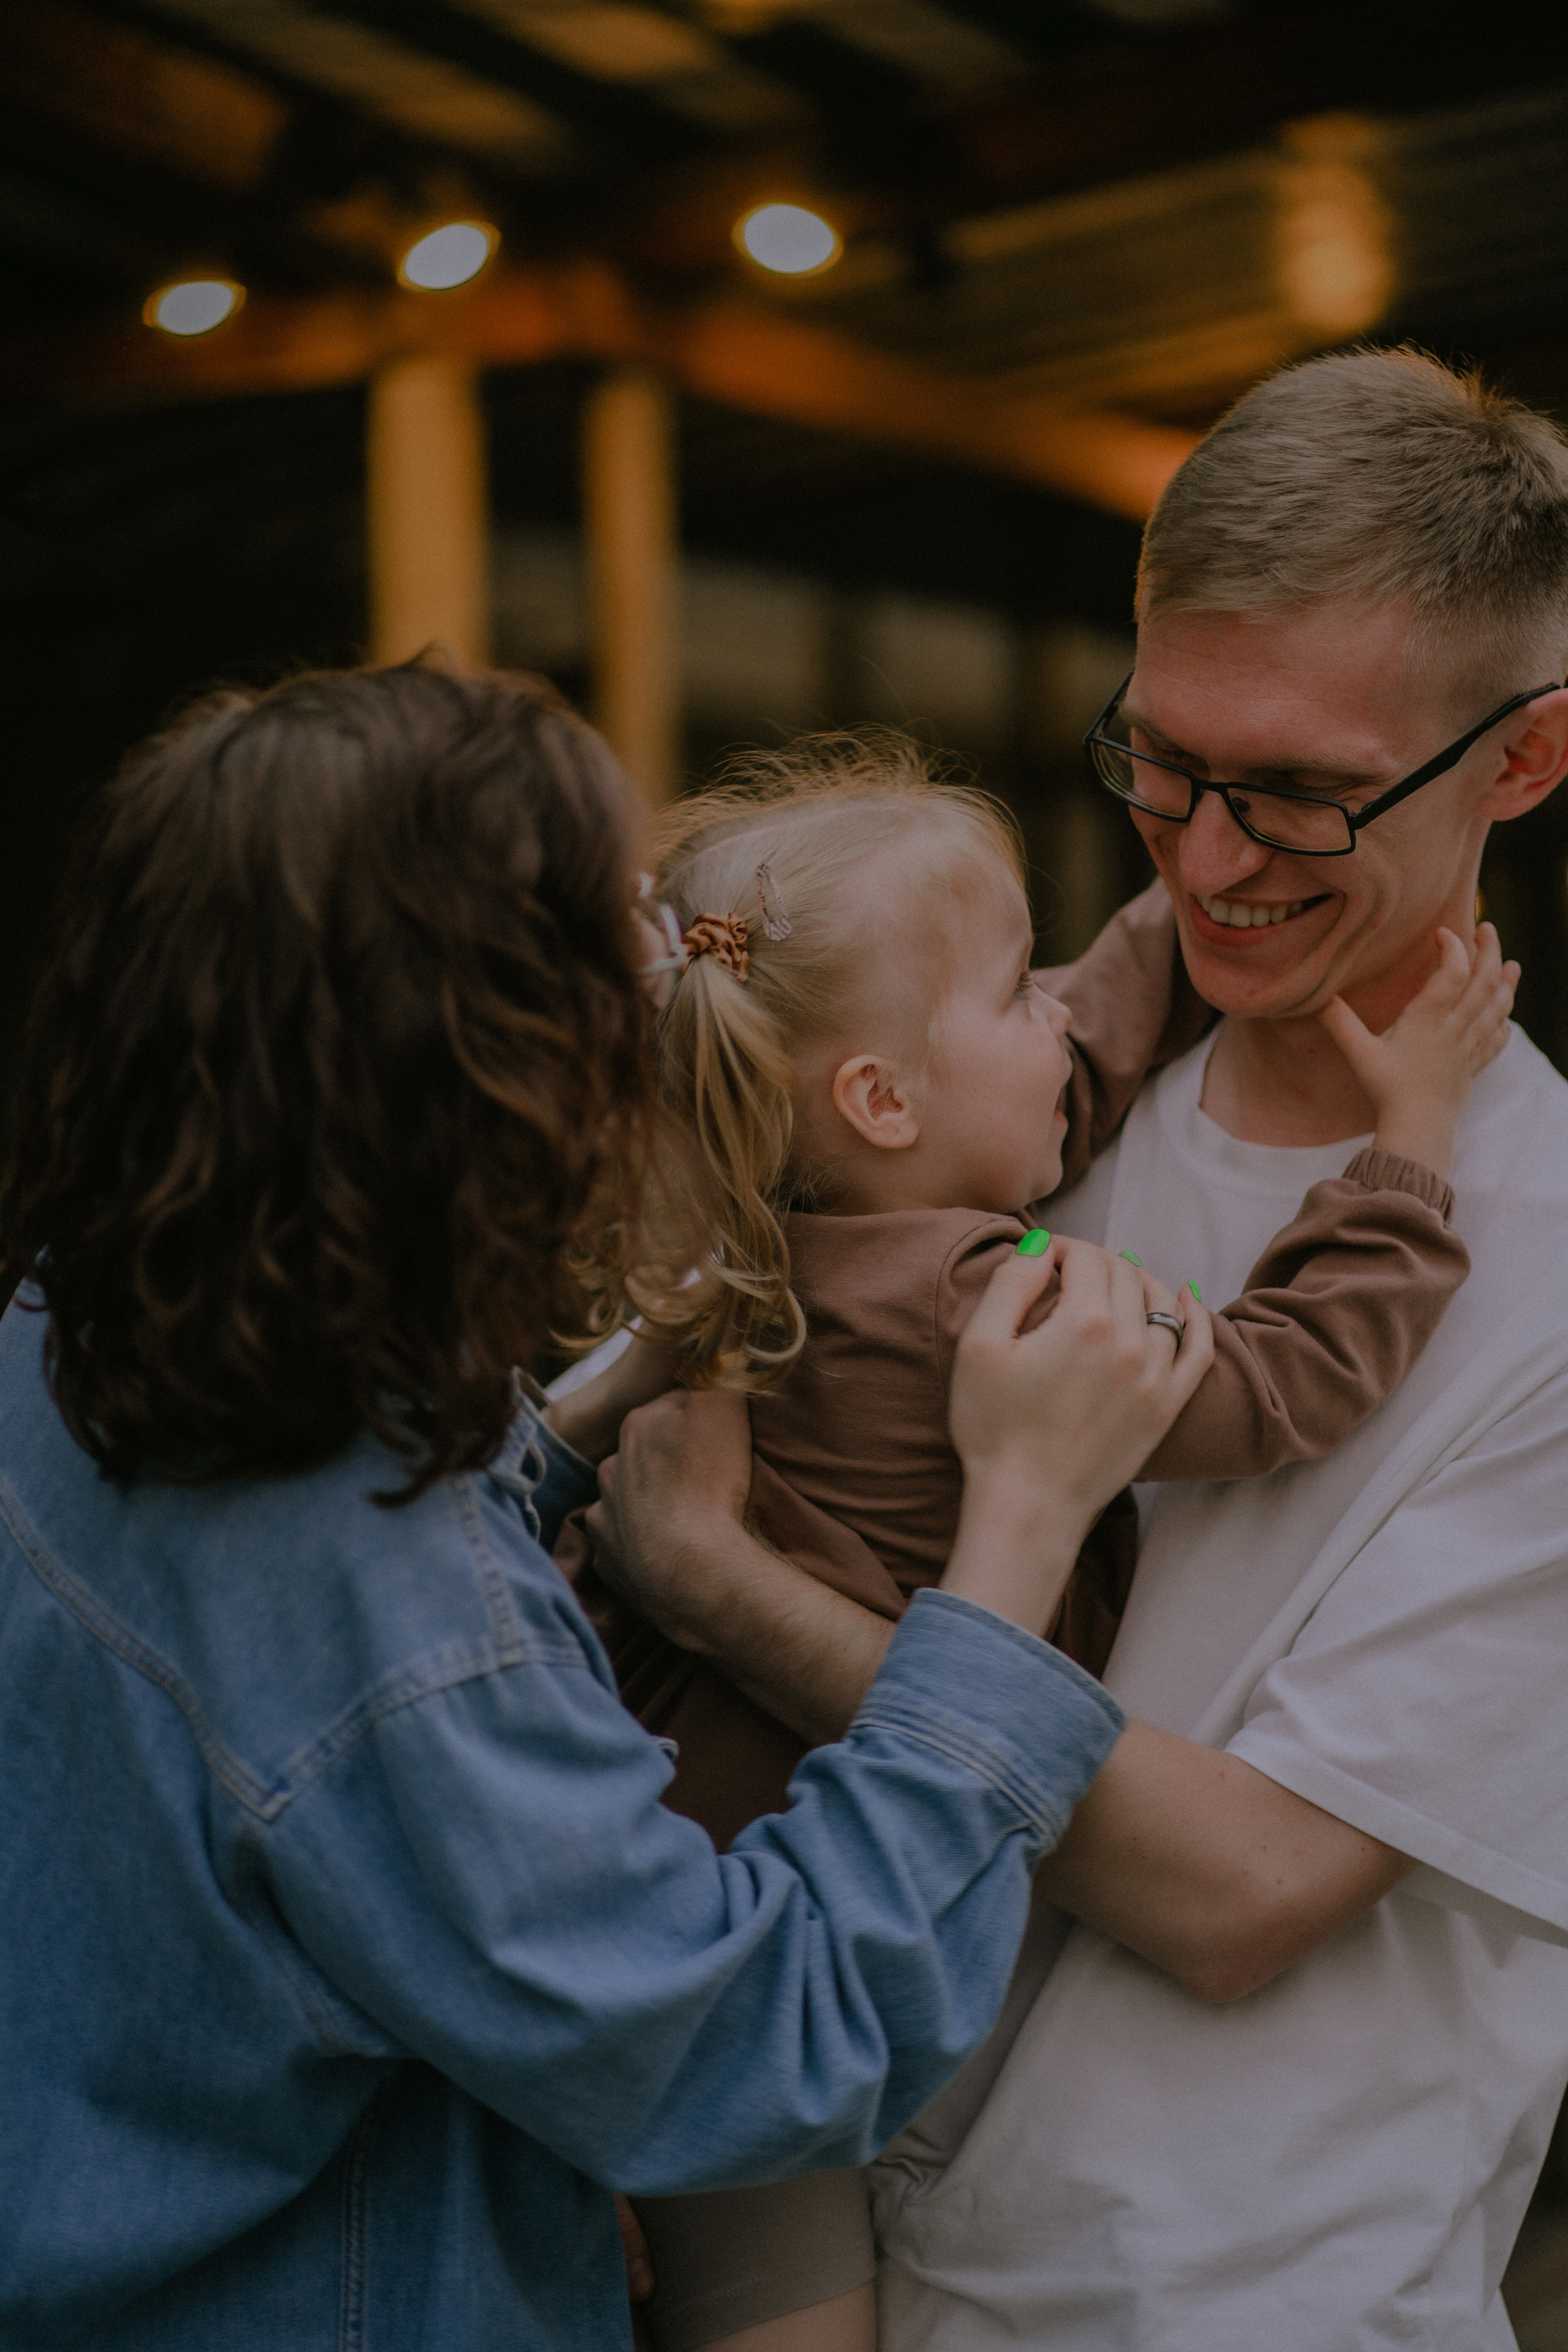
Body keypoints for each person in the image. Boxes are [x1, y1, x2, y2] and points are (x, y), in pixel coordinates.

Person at [0, 663, 1216, 2350]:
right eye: (621, 941)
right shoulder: (398, 1624)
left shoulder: (66, 1334)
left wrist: (580, 1428)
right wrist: (1018, 1527)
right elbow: (763, 2047)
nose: (667, 985)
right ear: (490, 1071)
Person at [581, 349, 1568, 2349]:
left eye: (1297, 791)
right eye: (1163, 761)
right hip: (830, 2222)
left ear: (1524, 765)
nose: (1207, 862)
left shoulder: (1543, 1263)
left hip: (1208, 2303)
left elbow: (1246, 1893)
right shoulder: (996, 1093)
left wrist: (725, 1590)